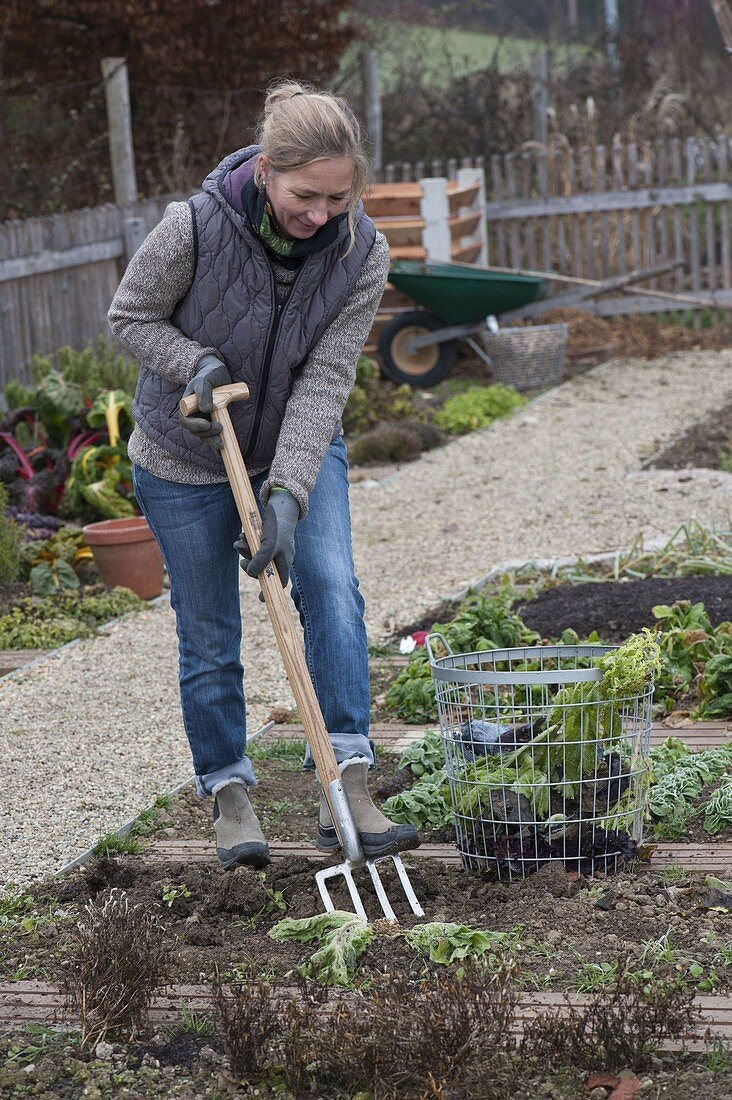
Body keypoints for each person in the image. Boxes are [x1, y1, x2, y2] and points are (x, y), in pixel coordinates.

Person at [108, 79, 421, 870]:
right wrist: (195, 362)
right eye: (304, 195)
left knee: (333, 591)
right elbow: (130, 317)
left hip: (294, 447)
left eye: (338, 198)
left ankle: (344, 777)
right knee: (210, 630)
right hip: (184, 460)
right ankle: (229, 794)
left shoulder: (363, 251)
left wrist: (287, 493)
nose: (320, 215)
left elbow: (326, 380)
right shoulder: (194, 228)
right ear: (267, 171)